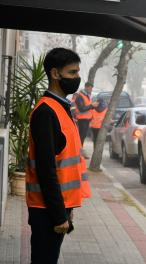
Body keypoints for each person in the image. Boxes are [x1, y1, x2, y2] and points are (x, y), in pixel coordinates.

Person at [26, 47, 91, 264]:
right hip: (46, 210)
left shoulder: (62, 108)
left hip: (56, 207)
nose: (77, 78)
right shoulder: (46, 112)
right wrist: (59, 214)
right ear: (55, 74)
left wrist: (67, 209)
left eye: (78, 72)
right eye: (72, 73)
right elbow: (46, 169)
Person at [75, 81, 98, 147]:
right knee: (81, 136)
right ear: (86, 87)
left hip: (86, 119)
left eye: (91, 88)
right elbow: (81, 108)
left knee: (83, 136)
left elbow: (88, 107)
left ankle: (80, 150)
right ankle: (79, 151)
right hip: (82, 119)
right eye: (90, 88)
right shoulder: (80, 96)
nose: (91, 90)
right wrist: (92, 105)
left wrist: (93, 106)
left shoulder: (87, 96)